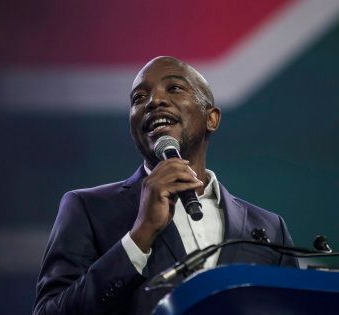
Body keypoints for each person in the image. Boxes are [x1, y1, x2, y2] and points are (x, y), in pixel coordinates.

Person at [34, 56, 298, 315]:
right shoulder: (88, 209)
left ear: (211, 118)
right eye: (139, 98)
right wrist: (140, 235)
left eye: (174, 88)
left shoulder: (269, 228)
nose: (154, 101)